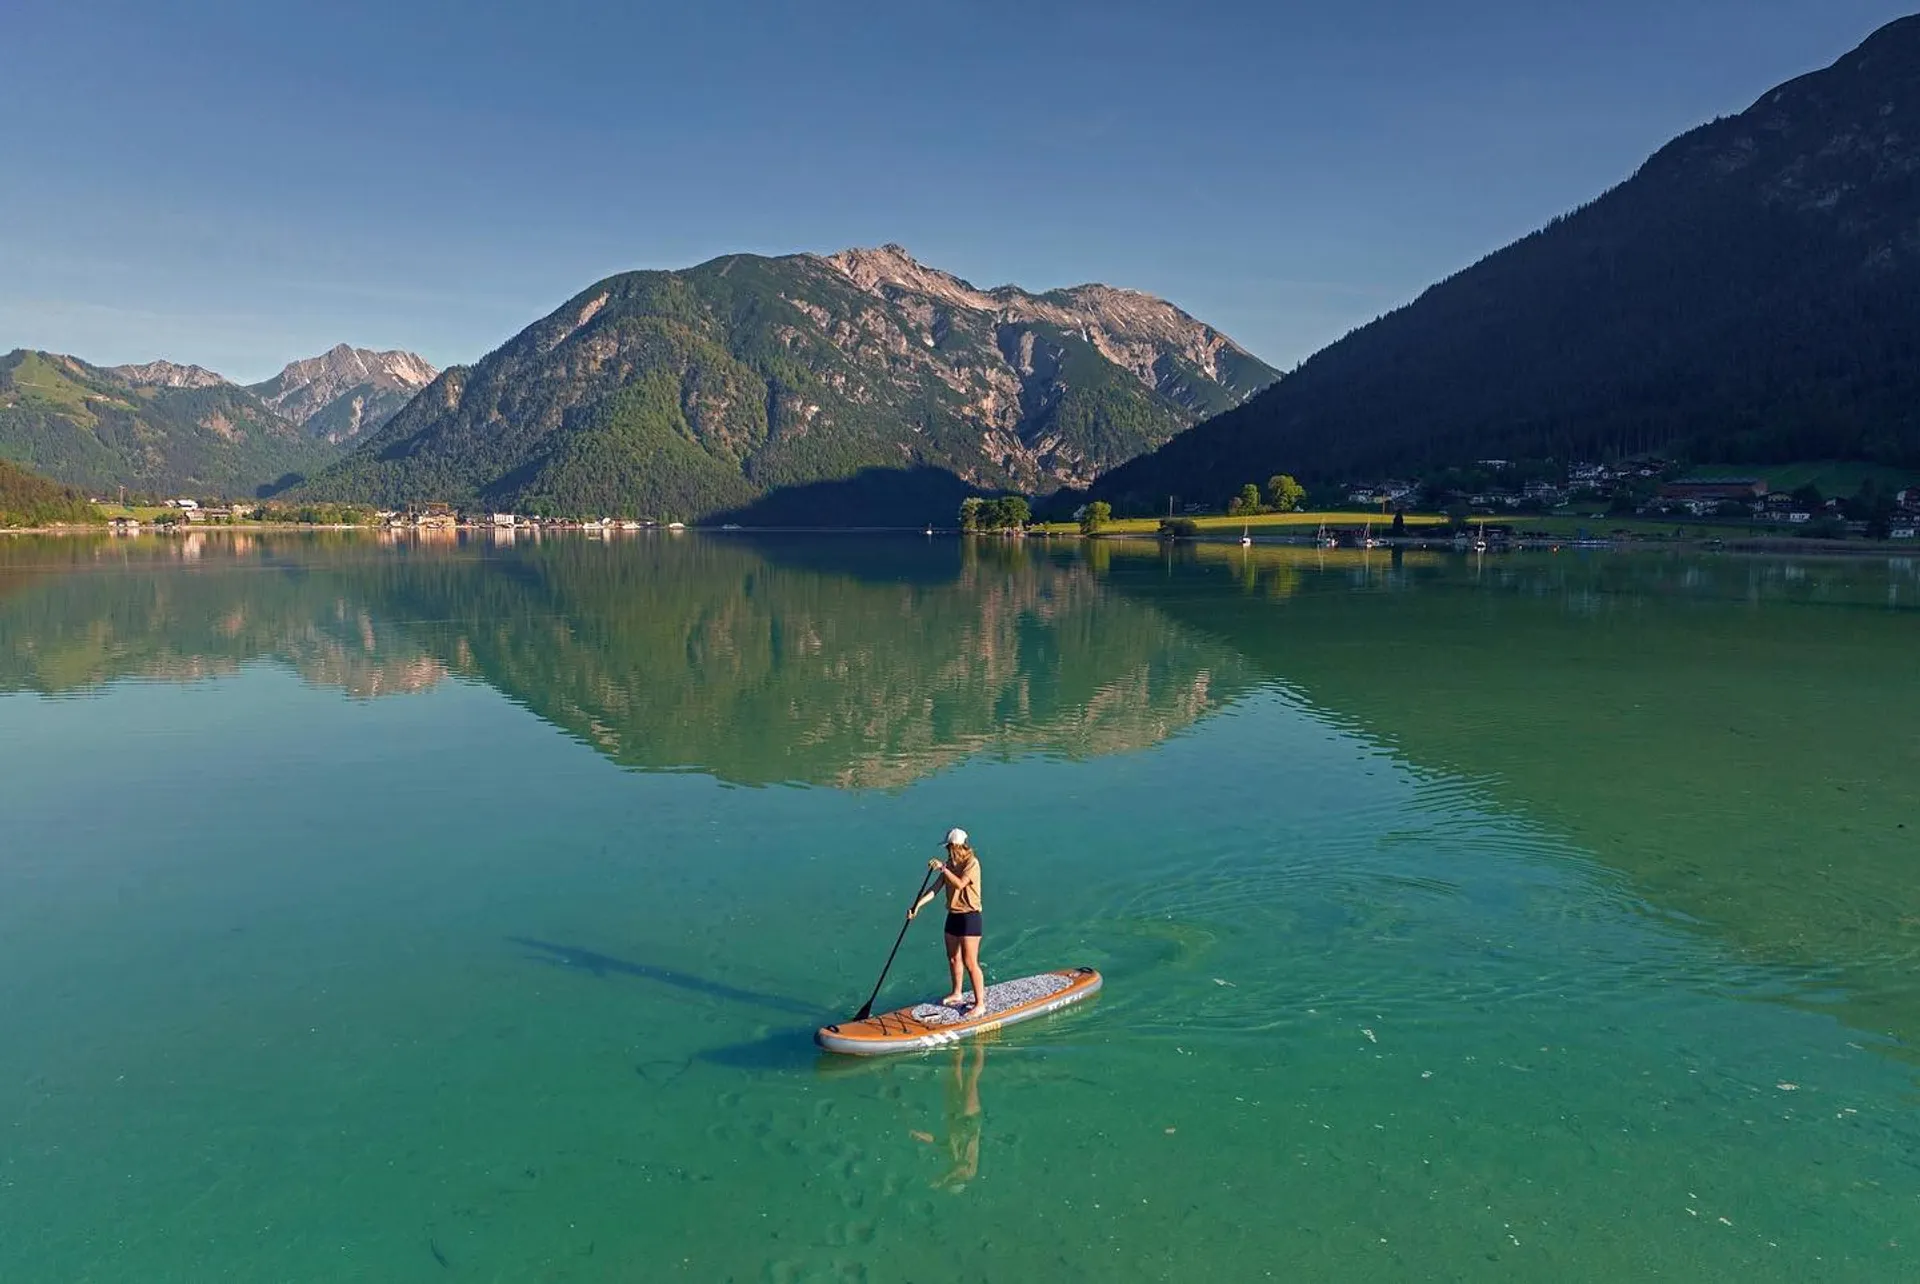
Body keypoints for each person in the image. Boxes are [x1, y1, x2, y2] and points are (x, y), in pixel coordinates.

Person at [910, 827, 985, 1011]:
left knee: (970, 962)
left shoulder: (971, 863)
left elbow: (959, 884)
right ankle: (957, 992)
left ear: (956, 846)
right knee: (953, 958)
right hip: (953, 915)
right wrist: (917, 906)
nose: (947, 851)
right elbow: (935, 888)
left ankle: (980, 1004)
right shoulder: (950, 864)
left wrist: (943, 869)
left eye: (948, 847)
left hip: (970, 917)